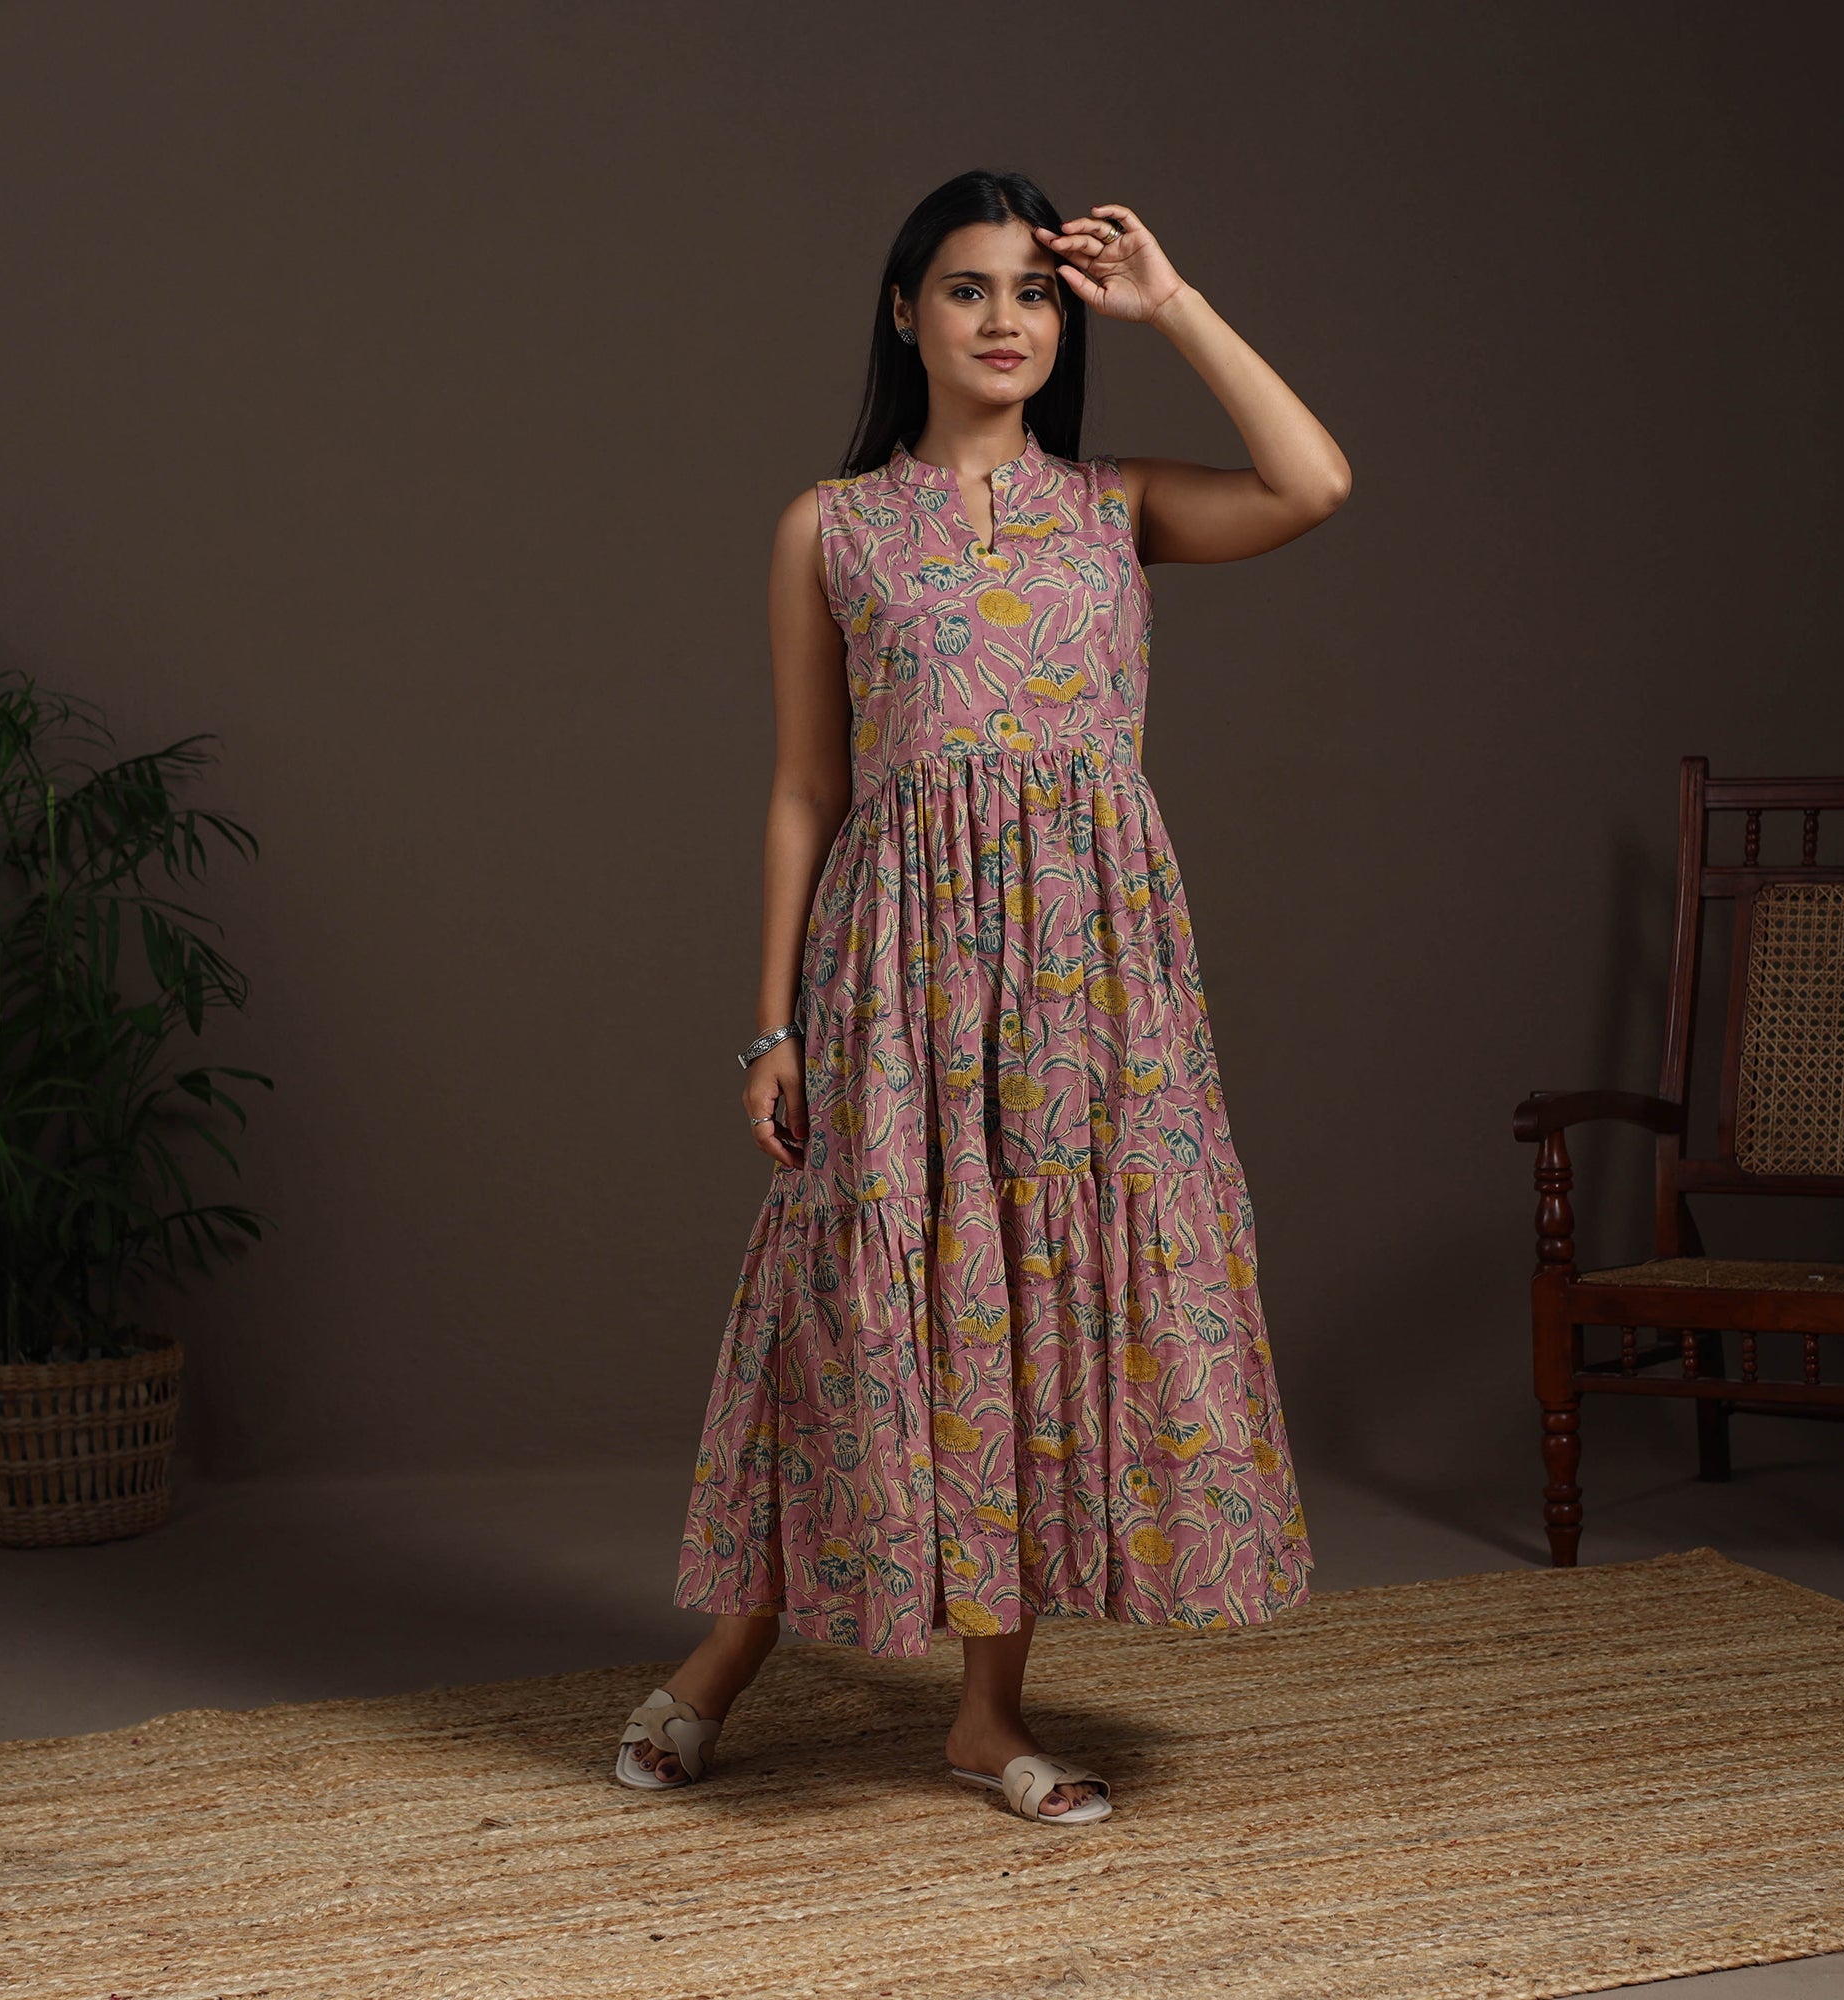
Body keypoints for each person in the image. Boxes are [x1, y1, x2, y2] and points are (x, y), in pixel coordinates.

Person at [617, 168, 1351, 1823]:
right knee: (863, 1309)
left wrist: (1171, 303)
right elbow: (806, 787)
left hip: (1096, 973)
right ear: (905, 314)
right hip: (898, 967)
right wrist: (771, 1024)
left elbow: (1314, 481)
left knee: (1028, 1304)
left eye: (1036, 291)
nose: (1007, 319)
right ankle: (720, 1663)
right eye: (968, 288)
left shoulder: (1118, 507)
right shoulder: (831, 527)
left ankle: (985, 1717)